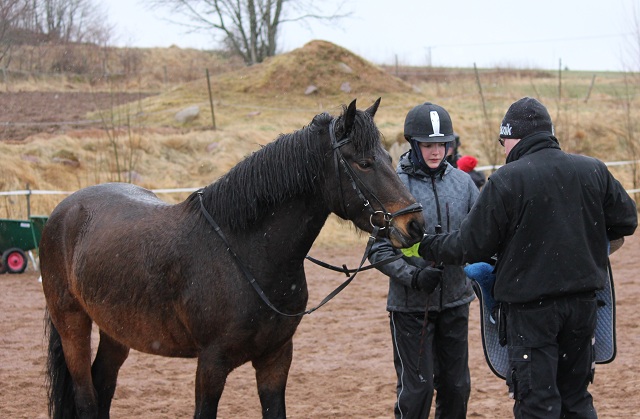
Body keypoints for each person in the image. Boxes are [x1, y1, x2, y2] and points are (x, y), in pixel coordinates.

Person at [419, 97, 638, 418]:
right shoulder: (592, 168)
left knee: (538, 403)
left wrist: (426, 245)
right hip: (584, 306)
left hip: (531, 312)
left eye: (502, 141)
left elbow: (471, 245)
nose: (503, 148)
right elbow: (626, 222)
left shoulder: (507, 179)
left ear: (513, 137)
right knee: (576, 398)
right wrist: (589, 250)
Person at [368, 102, 479, 419]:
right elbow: (377, 250)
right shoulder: (395, 186)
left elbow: (481, 237)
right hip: (410, 309)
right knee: (417, 390)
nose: (435, 151)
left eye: (441, 144)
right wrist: (413, 277)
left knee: (456, 388)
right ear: (414, 145)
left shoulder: (464, 184)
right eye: (428, 145)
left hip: (457, 301)